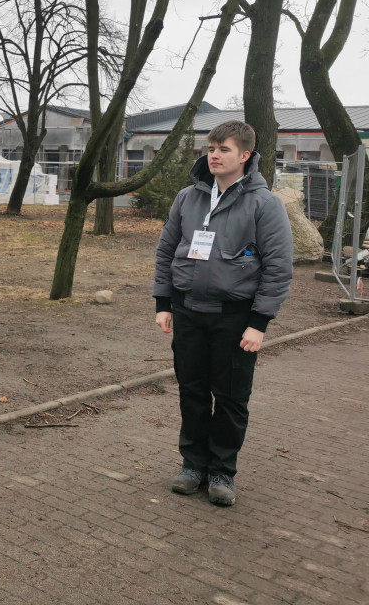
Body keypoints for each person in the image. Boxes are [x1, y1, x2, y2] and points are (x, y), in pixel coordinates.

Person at [153, 120, 292, 507]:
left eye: (223, 149)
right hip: (188, 311)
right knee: (192, 391)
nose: (213, 154)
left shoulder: (265, 204)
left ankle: (221, 472)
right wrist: (164, 303)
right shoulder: (188, 198)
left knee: (231, 398)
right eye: (211, 148)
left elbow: (279, 267)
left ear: (245, 156)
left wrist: (259, 323)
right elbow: (166, 251)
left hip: (235, 317)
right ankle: (193, 465)